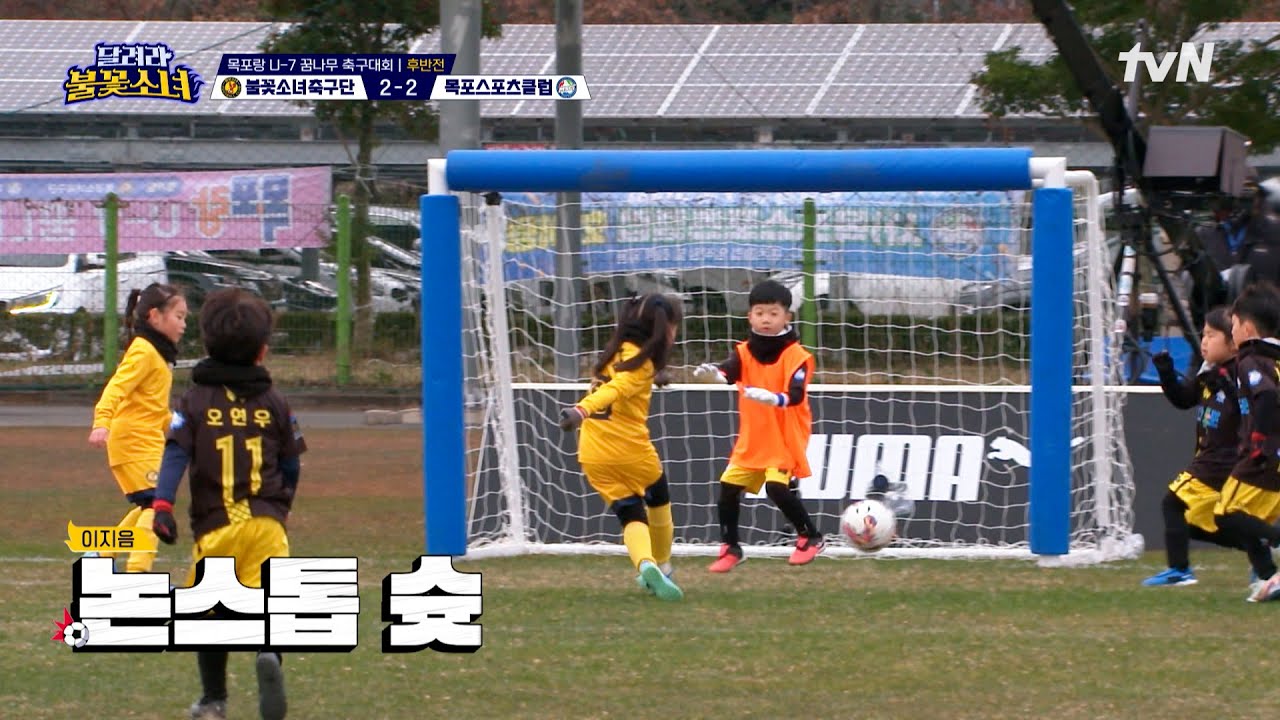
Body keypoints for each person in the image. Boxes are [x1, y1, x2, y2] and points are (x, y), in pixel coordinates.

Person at [151, 288, 305, 719]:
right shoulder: (275, 402)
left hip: (216, 525)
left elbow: (175, 453)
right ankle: (269, 652)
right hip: (267, 526)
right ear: (262, 351)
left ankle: (214, 699)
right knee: (272, 602)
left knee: (210, 614)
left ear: (205, 344)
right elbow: (291, 464)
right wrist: (283, 506)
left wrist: (162, 505)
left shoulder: (195, 401)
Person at [558, 293, 684, 601]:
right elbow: (616, 388)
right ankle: (663, 565)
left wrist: (657, 375)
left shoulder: (614, 353)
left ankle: (644, 564)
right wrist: (580, 410)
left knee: (629, 514)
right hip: (629, 448)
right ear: (664, 329)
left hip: (591, 451)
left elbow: (624, 378)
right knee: (658, 500)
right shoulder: (638, 366)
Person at [694, 279, 823, 572]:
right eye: (760, 312)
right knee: (728, 487)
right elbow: (728, 372)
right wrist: (713, 375)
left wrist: (772, 398)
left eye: (774, 313)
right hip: (753, 437)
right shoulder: (744, 352)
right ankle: (731, 547)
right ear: (750, 316)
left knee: (777, 487)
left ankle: (810, 536)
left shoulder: (799, 357)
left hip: (785, 435)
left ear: (787, 317)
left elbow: (795, 395)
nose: (766, 319)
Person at [88, 283, 187, 572]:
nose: (183, 324)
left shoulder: (157, 354)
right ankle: (137, 573)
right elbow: (117, 387)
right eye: (179, 316)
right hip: (132, 441)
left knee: (149, 504)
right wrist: (101, 422)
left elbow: (154, 408)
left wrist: (183, 427)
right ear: (155, 317)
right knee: (157, 503)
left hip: (146, 441)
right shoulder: (143, 351)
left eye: (185, 318)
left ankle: (99, 557)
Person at [1142, 308, 1242, 586]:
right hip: (1211, 460)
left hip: (1221, 462)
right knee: (1197, 521)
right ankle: (1258, 544)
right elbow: (1184, 399)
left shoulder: (1242, 374)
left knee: (1172, 503)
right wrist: (1166, 374)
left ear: (1233, 342)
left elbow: (1250, 411)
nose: (1204, 341)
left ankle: (1179, 570)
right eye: (1203, 334)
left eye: (1212, 335)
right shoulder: (1207, 373)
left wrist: (1226, 385)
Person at [1214, 283, 1280, 602]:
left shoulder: (1251, 360)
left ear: (1248, 328)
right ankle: (1269, 577)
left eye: (1235, 325)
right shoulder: (1274, 359)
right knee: (1250, 522)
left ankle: (1273, 557)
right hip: (1275, 456)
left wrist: (1258, 440)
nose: (1233, 331)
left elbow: (1266, 396)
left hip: (1264, 456)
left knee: (1226, 514)